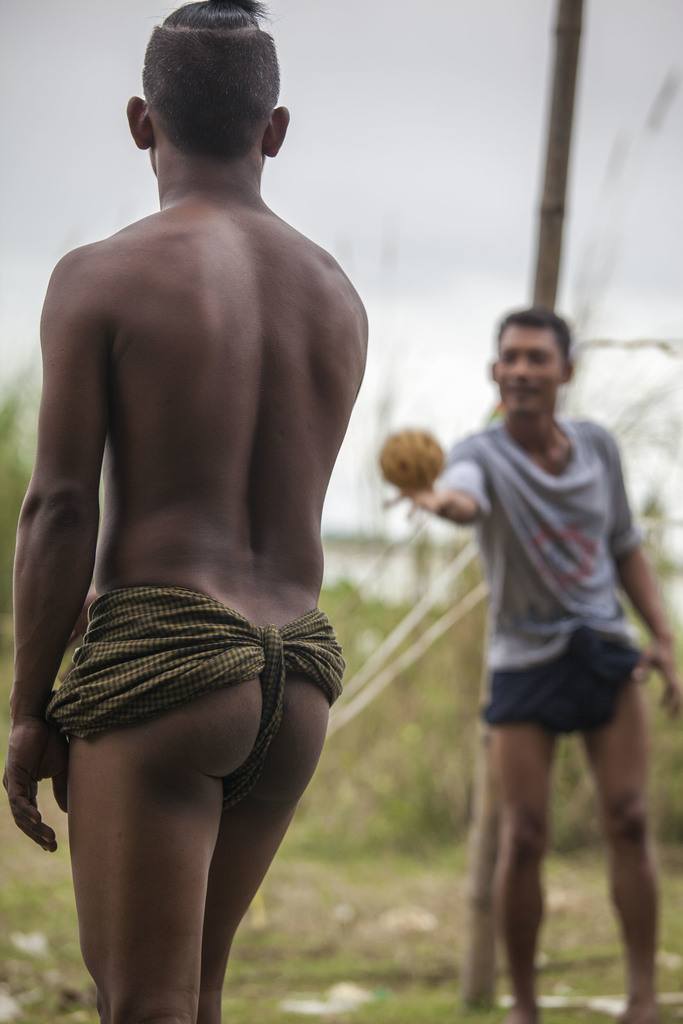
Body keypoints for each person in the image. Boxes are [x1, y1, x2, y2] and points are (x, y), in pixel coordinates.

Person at [3, 2, 367, 1022]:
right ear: (274, 130)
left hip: (167, 667)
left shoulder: (101, 276)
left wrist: (30, 706)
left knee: (140, 1005)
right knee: (193, 999)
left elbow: (62, 506)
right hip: (294, 677)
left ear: (139, 120)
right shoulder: (335, 295)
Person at [404, 307, 681, 1024]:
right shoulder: (479, 454)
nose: (521, 371)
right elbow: (464, 499)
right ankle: (523, 1008)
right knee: (523, 835)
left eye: (535, 358)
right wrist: (438, 500)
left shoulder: (596, 448)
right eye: (509, 359)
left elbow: (623, 546)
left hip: (603, 651)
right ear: (494, 373)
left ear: (565, 370)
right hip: (523, 664)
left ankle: (644, 999)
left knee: (627, 817)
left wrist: (664, 639)